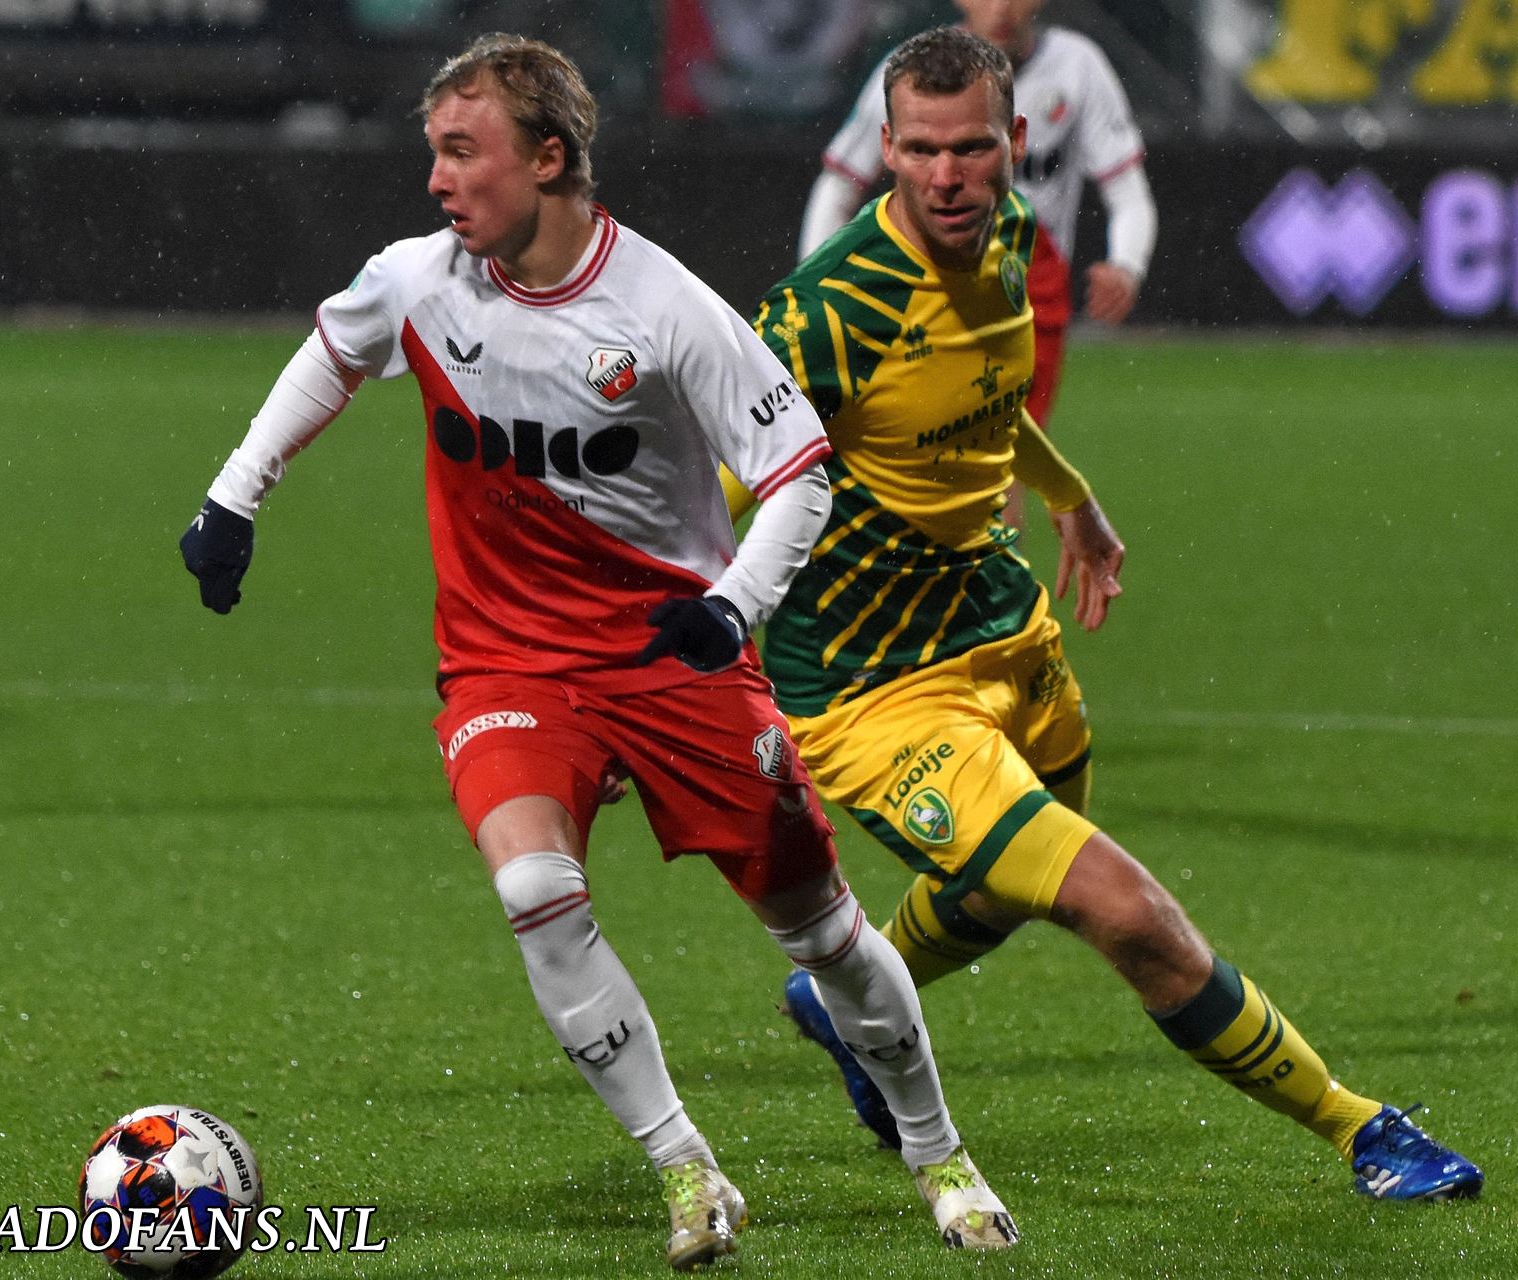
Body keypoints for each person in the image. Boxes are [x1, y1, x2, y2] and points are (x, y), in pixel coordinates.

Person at [179, 33, 1019, 1265]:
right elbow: (336, 350)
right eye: (434, 152)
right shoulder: (419, 279)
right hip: (508, 661)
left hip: (674, 655)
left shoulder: (667, 308)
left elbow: (798, 475)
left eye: (463, 153)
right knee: (534, 888)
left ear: (551, 157)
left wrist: (733, 606)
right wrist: (235, 493)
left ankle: (938, 1148)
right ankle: (688, 1170)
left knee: (821, 928)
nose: (437, 180)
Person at [744, 25, 1482, 1205]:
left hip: (1001, 625)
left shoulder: (1017, 240)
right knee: (1123, 910)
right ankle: (1361, 1130)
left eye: (973, 149)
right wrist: (688, 661)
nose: (948, 177)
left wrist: (1066, 492)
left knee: (1006, 881)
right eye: (922, 150)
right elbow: (730, 493)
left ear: (1016, 144)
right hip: (876, 689)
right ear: (884, 149)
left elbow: (979, 404)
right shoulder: (823, 314)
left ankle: (846, 993)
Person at [799, 0, 1154, 523]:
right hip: (920, 281)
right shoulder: (911, 69)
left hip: (1026, 291)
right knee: (897, 455)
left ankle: (986, 597)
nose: (1004, 7)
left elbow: (1128, 192)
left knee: (997, 462)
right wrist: (816, 284)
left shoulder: (1078, 66)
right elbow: (839, 182)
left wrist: (1127, 265)